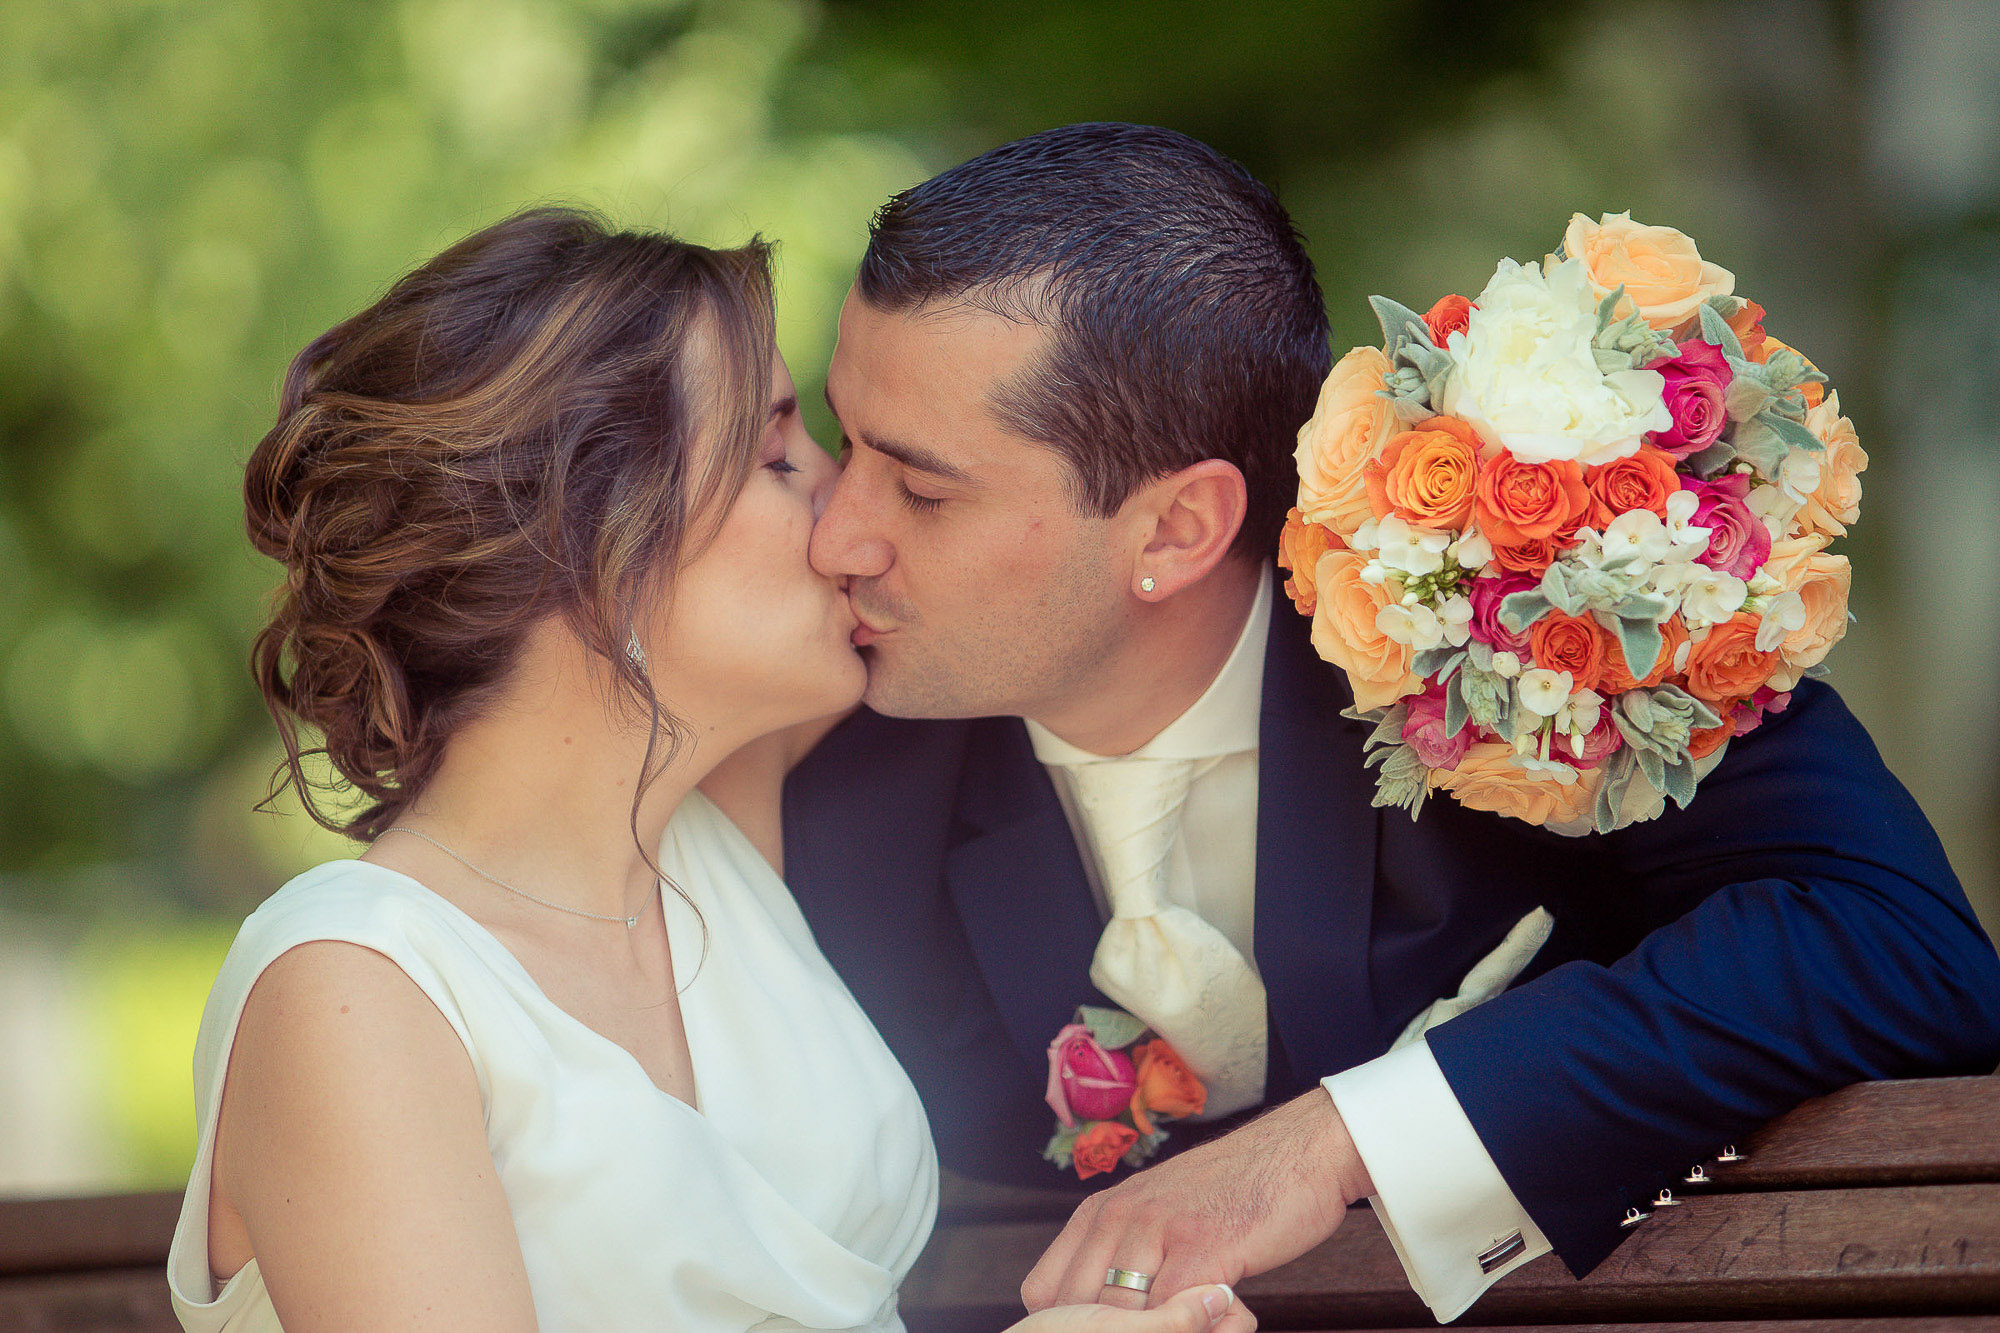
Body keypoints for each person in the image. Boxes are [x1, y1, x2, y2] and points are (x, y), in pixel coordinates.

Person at [781, 122, 2000, 1323]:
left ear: (1174, 531)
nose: (836, 538)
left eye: (923, 489)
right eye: (844, 443)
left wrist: (1343, 1136)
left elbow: (1905, 950)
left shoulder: (1528, 605)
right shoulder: (813, 776)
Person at [166, 208, 1248, 1333]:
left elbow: (1051, 566)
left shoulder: (724, 819)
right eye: (778, 454)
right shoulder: (354, 989)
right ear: (592, 551)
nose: (846, 504)